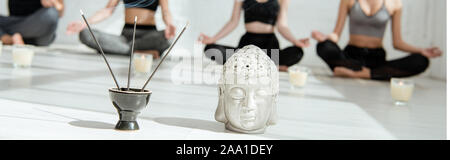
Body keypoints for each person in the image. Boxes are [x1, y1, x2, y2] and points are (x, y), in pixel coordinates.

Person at [311, 0, 442, 80]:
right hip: (351, 57)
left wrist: (422, 50)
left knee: (421, 61)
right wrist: (325, 38)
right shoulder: (348, 0)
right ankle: (372, 74)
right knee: (324, 46)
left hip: (376, 58)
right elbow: (336, 35)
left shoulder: (395, 3)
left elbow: (397, 42)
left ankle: (361, 74)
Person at [199, 0, 310, 71]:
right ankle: (267, 66)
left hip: (270, 44)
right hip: (248, 41)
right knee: (210, 49)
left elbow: (282, 26)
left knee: (297, 52)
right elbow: (233, 22)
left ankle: (250, 65)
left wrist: (295, 41)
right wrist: (213, 38)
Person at [66, 0, 175, 58]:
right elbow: (107, 10)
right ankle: (139, 53)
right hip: (125, 37)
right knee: (85, 34)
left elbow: (166, 11)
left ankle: (124, 50)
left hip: (147, 36)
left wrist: (169, 24)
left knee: (168, 39)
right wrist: (85, 23)